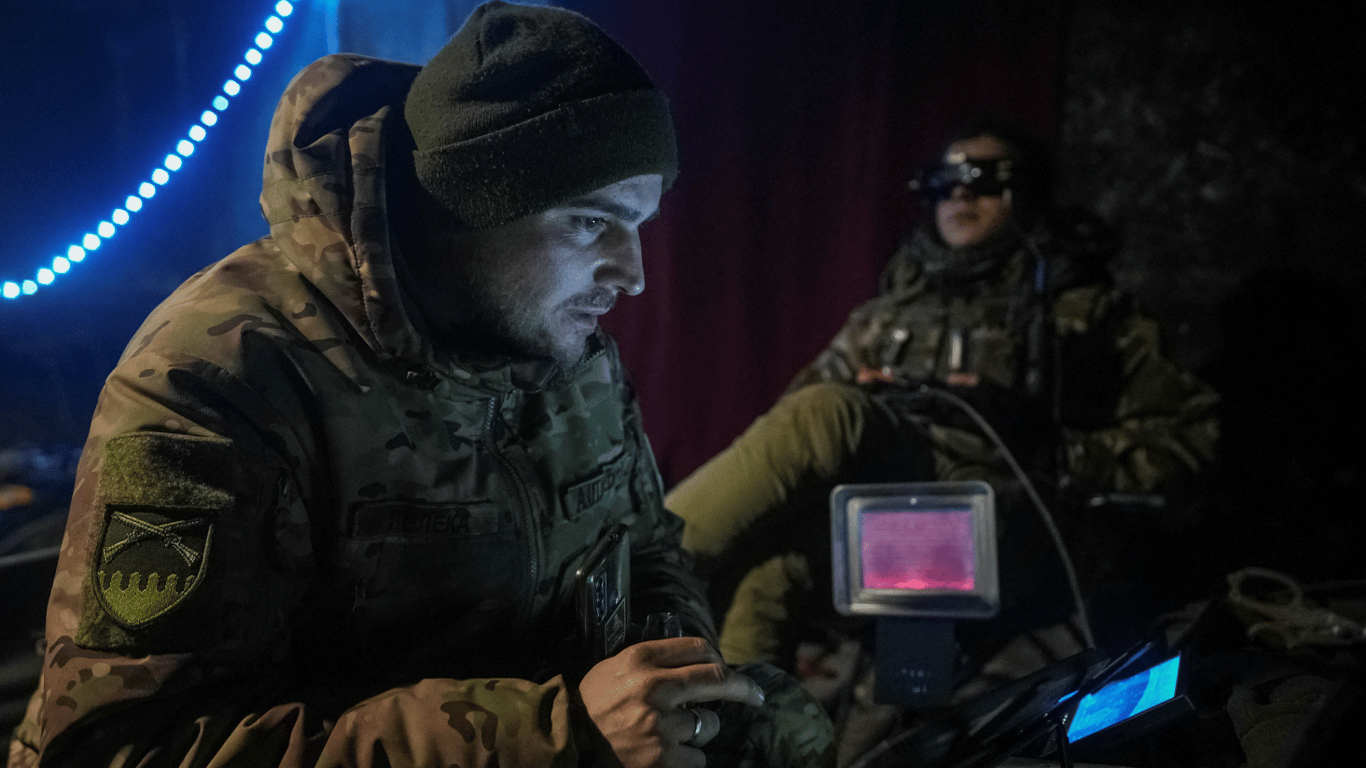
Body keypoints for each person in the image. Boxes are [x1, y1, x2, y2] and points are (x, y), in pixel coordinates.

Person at [6, 4, 834, 767]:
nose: (632, 274)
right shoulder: (222, 374)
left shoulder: (563, 346)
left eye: (638, 226)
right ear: (464, 208)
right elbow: (127, 749)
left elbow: (646, 549)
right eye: (590, 221)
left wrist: (679, 693)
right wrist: (557, 737)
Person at [665, 120, 1221, 674]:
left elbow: (1189, 441)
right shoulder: (887, 316)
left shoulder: (1085, 316)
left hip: (1012, 529)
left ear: (1024, 192)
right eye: (944, 183)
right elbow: (793, 438)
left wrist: (1057, 453)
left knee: (826, 413)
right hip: (887, 523)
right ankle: (738, 720)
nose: (960, 197)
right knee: (769, 568)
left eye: (983, 181)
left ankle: (645, 566)